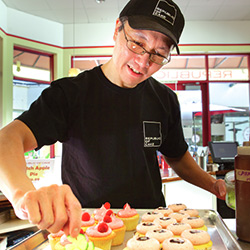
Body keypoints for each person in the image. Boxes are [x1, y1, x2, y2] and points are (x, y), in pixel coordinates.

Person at [0, 0, 226, 238]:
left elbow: (177, 155)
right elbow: (8, 139)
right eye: (137, 43)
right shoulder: (69, 94)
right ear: (117, 29)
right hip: (90, 226)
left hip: (151, 228)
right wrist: (22, 195)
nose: (143, 62)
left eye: (159, 54)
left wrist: (212, 185)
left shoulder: (165, 99)